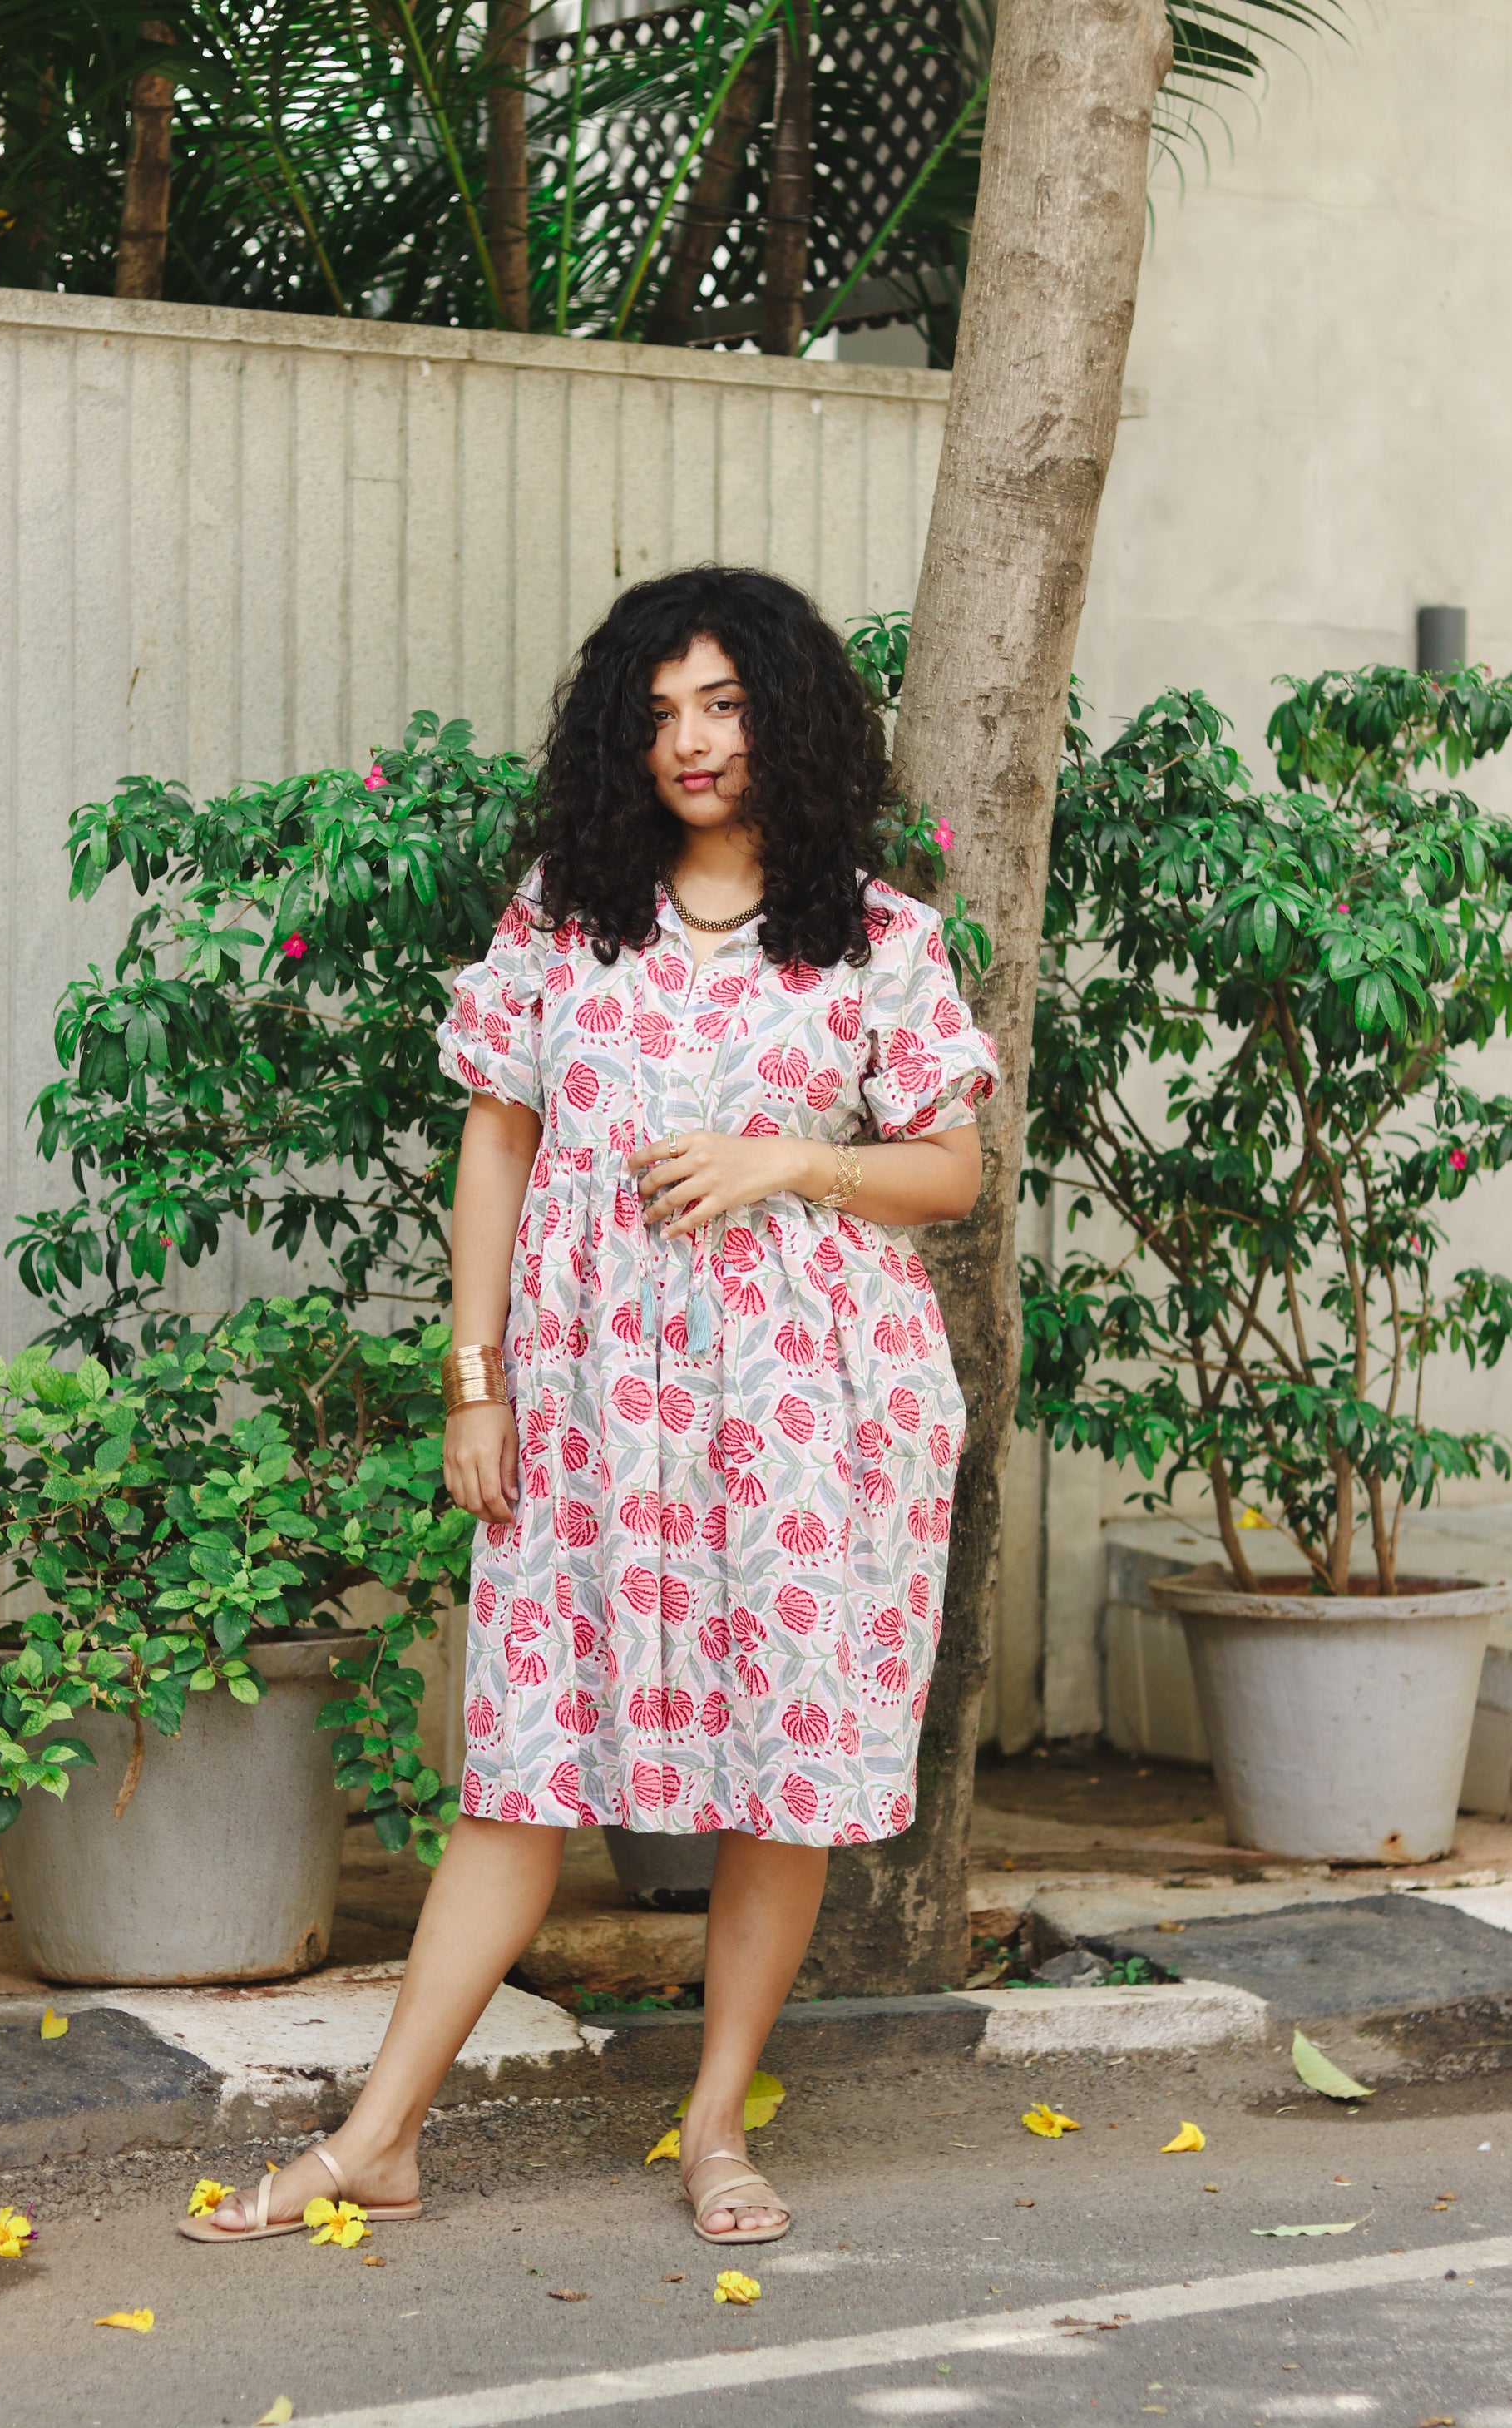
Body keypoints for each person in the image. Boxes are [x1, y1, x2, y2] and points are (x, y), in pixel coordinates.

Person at [180, 565, 997, 2252]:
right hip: (588, 1400)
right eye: (656, 713)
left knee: (779, 1773)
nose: (688, 741)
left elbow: (952, 1170)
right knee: (521, 1764)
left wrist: (790, 1155)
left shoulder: (876, 934)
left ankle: (713, 2124)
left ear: (784, 715)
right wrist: (472, 1377)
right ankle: (377, 2137)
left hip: (803, 1411)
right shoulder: (568, 912)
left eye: (719, 702)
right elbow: (496, 1137)